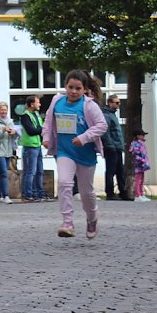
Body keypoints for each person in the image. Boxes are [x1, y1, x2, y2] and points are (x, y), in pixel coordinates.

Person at [42, 70, 107, 238]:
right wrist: (46, 138)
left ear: (85, 89)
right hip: (64, 151)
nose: (73, 91)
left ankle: (92, 217)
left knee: (86, 192)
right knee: (64, 183)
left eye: (78, 88)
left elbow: (102, 125)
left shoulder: (89, 105)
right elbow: (48, 122)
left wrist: (84, 137)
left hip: (85, 154)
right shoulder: (57, 101)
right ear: (65, 86)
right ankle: (67, 222)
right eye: (70, 87)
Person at [101, 94, 128, 200]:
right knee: (111, 171)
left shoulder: (112, 115)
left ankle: (123, 192)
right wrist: (110, 145)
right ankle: (110, 193)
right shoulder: (107, 115)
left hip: (117, 147)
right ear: (110, 103)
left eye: (119, 102)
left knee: (120, 171)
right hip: (111, 148)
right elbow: (105, 132)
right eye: (116, 102)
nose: (118, 104)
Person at [20, 95, 47, 202]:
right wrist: (42, 129)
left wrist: (41, 130)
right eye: (37, 102)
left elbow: (40, 128)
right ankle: (28, 194)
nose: (39, 104)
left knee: (39, 171)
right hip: (30, 146)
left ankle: (39, 194)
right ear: (32, 104)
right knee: (30, 171)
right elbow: (31, 131)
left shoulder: (36, 115)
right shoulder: (25, 116)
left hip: (37, 145)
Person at [129, 129, 151, 202]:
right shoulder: (135, 144)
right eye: (142, 135)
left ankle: (141, 194)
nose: (143, 136)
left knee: (141, 179)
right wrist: (142, 160)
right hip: (138, 164)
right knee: (137, 180)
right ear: (137, 136)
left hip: (142, 164)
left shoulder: (142, 143)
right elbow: (135, 154)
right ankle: (137, 195)